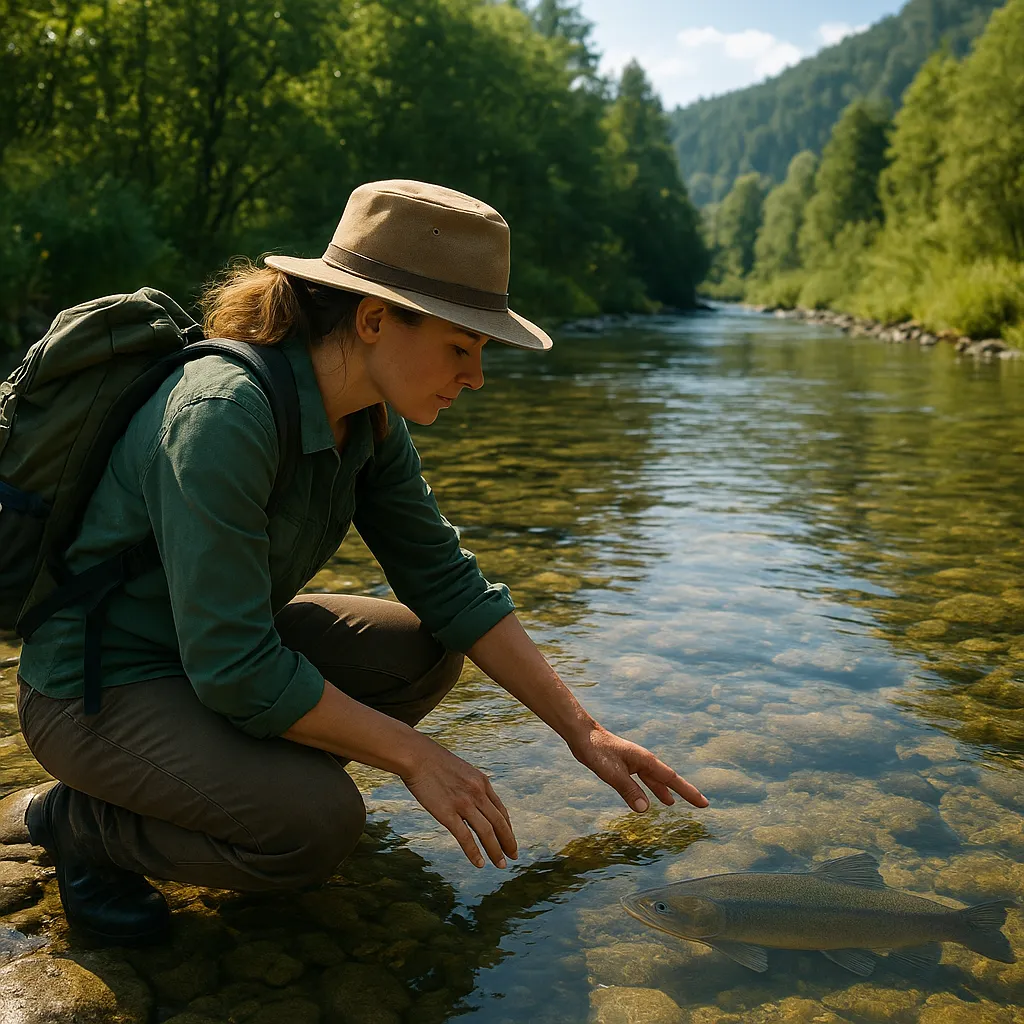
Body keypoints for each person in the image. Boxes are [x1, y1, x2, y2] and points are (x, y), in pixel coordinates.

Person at [0, 180, 708, 946]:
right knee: (316, 825)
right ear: (373, 320)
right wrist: (415, 756)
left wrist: (585, 733)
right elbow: (234, 665)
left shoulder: (367, 421)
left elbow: (449, 584)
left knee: (419, 650)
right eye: (460, 346)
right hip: (93, 690)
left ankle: (216, 781)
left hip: (198, 668)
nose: (476, 376)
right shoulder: (222, 415)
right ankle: (83, 824)